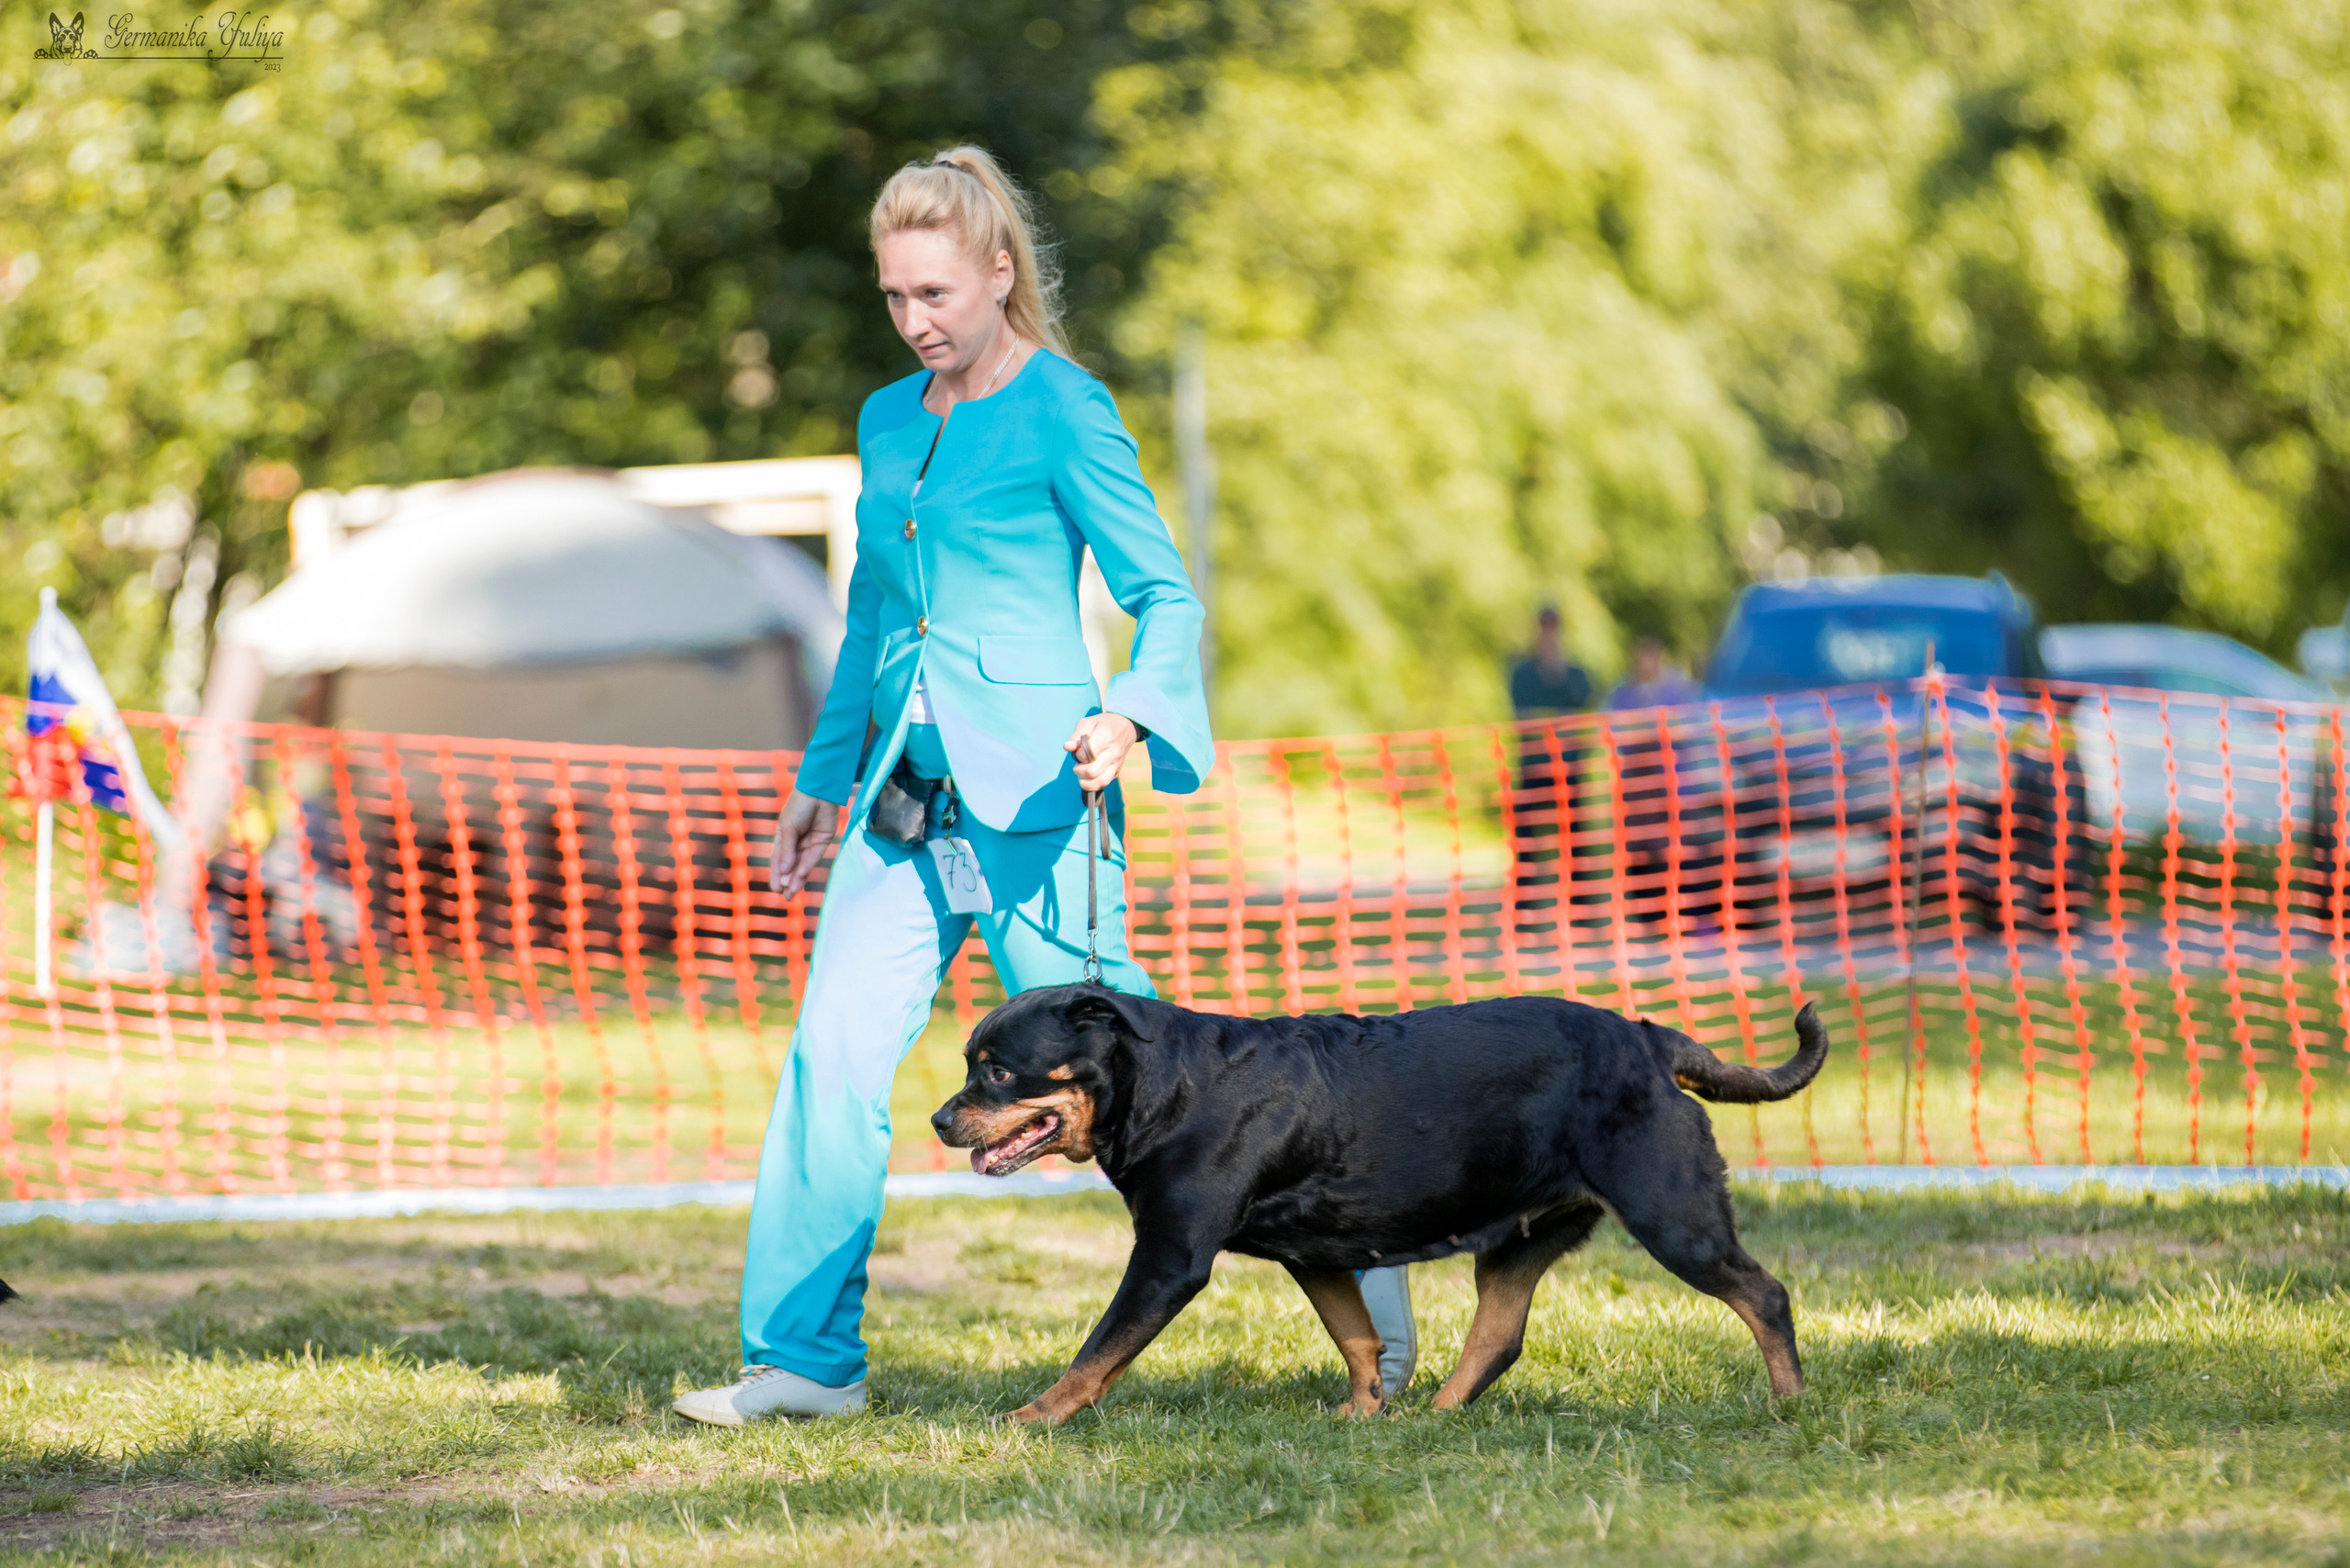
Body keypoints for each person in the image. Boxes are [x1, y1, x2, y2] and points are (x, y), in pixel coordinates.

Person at [1508, 603, 1592, 720]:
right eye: (1544, 627)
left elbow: (1583, 710)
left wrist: (1560, 671)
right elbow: (1522, 715)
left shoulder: (1577, 675)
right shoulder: (1521, 675)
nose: (1549, 633)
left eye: (1553, 626)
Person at [1606, 634, 1699, 711]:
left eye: (1650, 656)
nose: (1646, 663)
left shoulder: (1674, 689)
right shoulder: (1625, 689)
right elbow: (1614, 713)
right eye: (1643, 657)